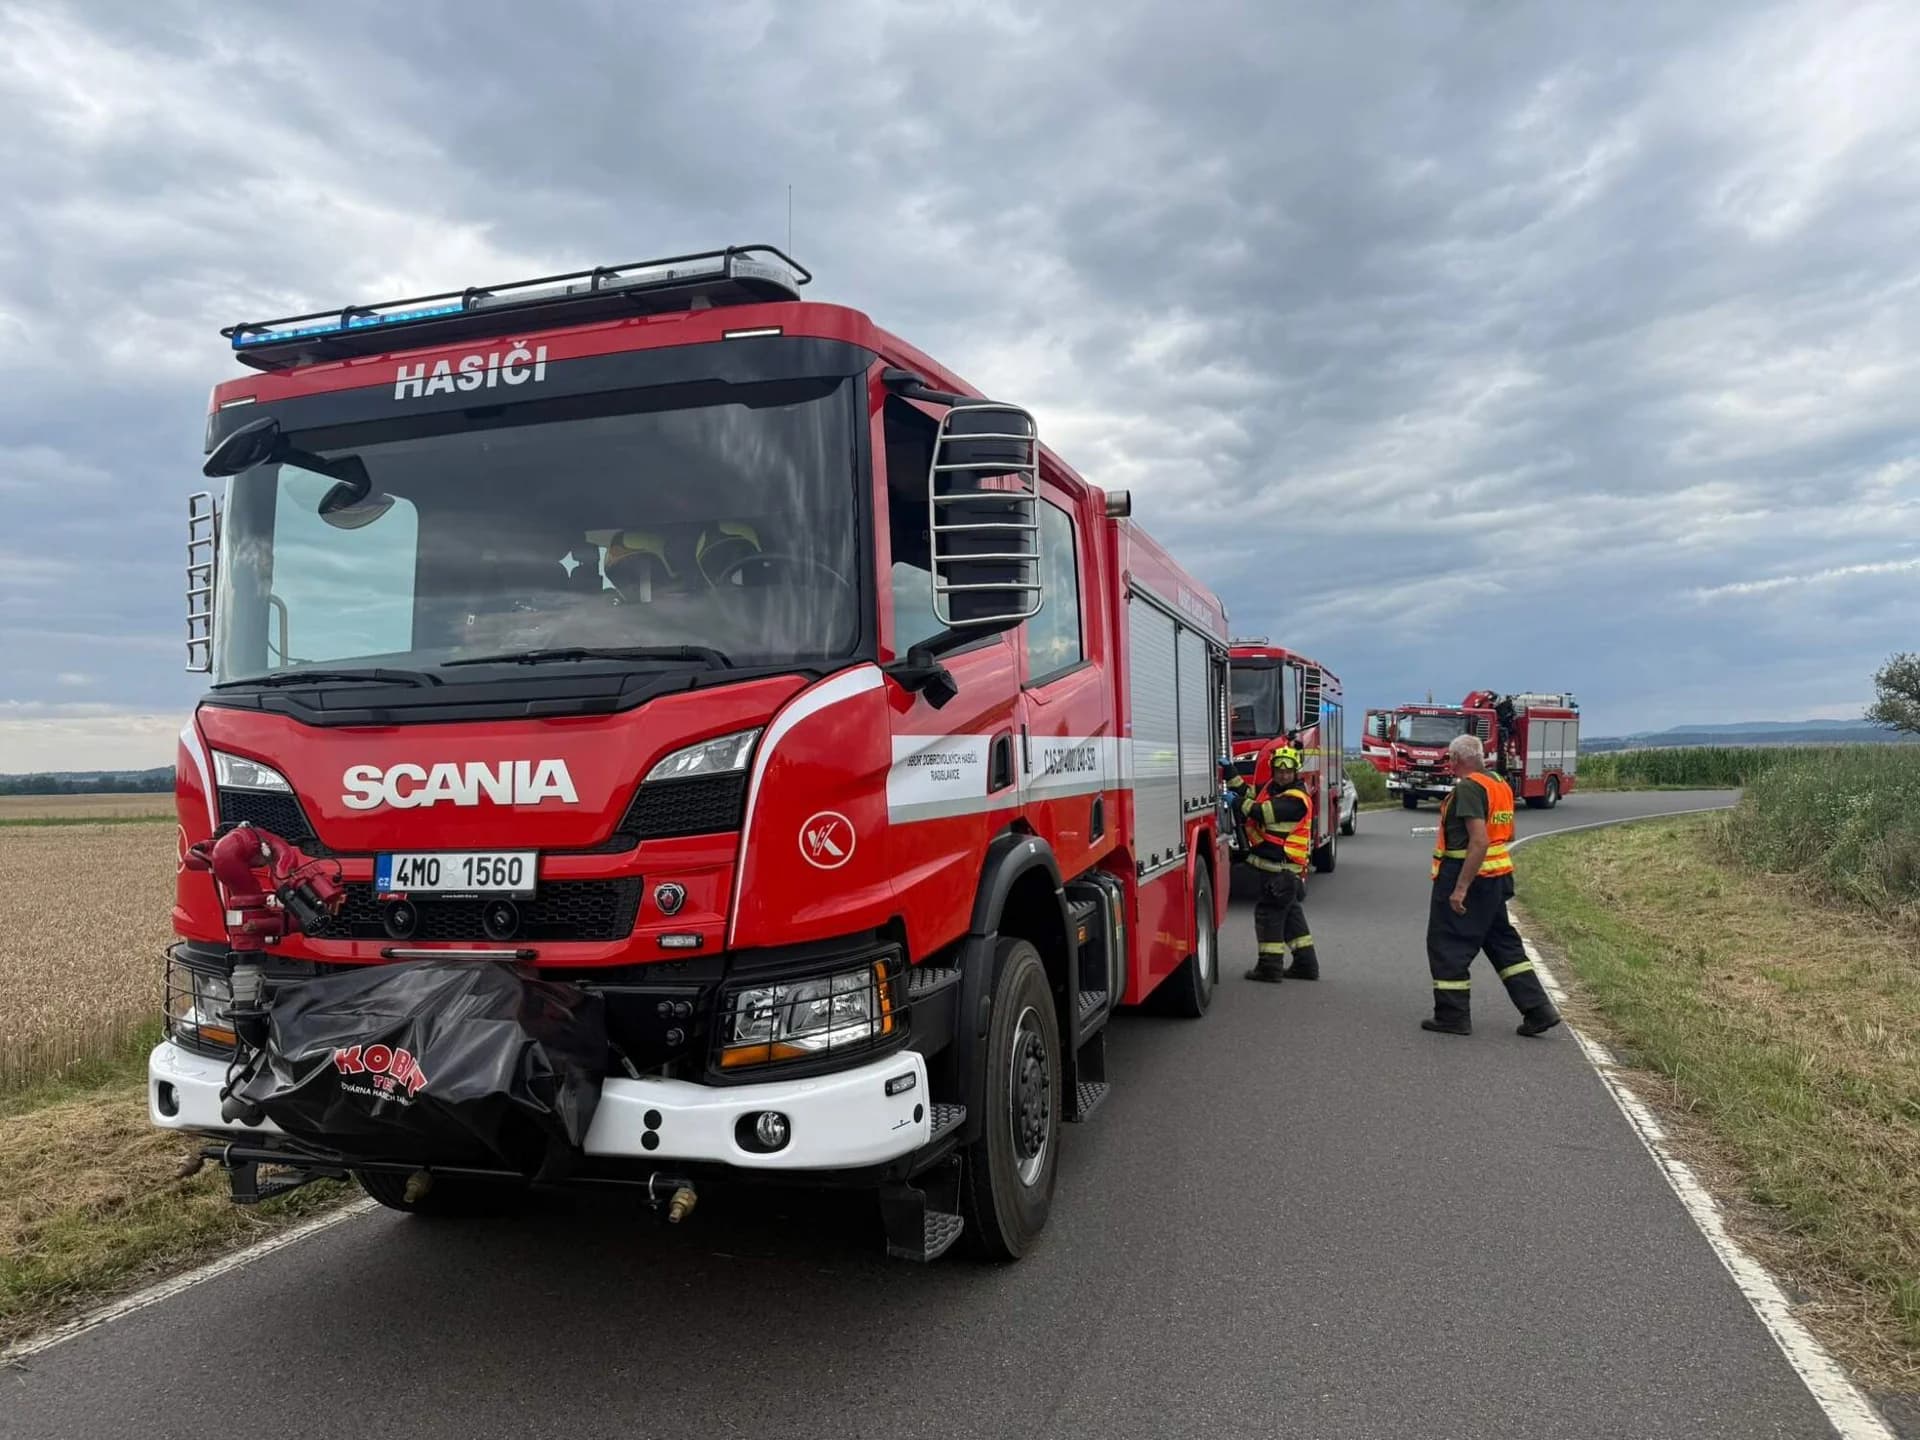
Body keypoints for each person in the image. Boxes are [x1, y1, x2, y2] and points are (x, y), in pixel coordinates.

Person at [1423, 733, 1560, 1038]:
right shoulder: (1499, 783)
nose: (1449, 763)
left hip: (1468, 877)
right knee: (1502, 943)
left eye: (1450, 758)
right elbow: (1507, 834)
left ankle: (1452, 1016)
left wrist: (1460, 888)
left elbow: (1479, 841)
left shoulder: (1469, 788)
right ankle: (1538, 1010)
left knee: (1448, 945)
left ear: (1456, 759)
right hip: (1497, 877)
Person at [1224, 745, 1320, 983]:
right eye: (1279, 771)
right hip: (1280, 871)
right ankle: (1306, 965)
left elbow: (1262, 812)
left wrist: (1236, 804)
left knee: (1269, 915)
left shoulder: (1296, 800)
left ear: (1295, 772)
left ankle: (1269, 968)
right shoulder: (1272, 789)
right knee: (1292, 919)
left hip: (1282, 871)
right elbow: (1249, 794)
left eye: (1287, 772)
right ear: (1273, 770)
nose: (1283, 775)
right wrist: (1230, 772)